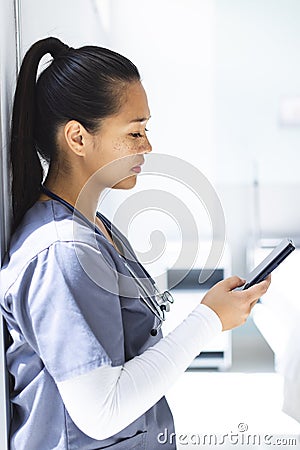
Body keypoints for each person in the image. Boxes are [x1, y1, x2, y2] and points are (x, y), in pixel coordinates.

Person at [0, 37, 271, 450]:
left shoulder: (94, 228)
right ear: (77, 138)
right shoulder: (61, 251)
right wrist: (208, 321)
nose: (147, 146)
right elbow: (101, 410)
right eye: (135, 131)